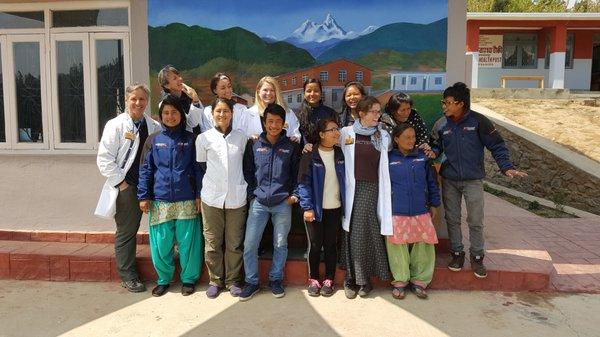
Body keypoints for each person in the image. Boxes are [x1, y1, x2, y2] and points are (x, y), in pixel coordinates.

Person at [431, 82, 527, 278]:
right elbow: (435, 148)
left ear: (460, 103)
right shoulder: (441, 124)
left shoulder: (479, 122)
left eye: (447, 103)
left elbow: (497, 145)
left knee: (475, 220)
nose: (444, 106)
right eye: (444, 102)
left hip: (473, 180)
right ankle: (457, 253)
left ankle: (477, 257)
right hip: (449, 180)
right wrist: (430, 153)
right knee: (452, 219)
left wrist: (506, 167)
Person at [96, 83, 161, 292]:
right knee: (127, 232)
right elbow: (104, 159)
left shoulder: (154, 126)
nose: (138, 103)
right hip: (128, 188)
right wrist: (122, 185)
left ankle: (165, 271)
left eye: (142, 99)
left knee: (163, 229)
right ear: (126, 100)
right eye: (134, 98)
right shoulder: (115, 125)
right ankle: (128, 276)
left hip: (150, 188)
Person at [137, 95, 204, 297]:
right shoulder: (153, 140)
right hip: (160, 200)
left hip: (186, 198)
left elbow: (198, 169)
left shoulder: (192, 140)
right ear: (161, 116)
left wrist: (199, 195)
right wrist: (143, 196)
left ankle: (188, 279)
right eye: (166, 113)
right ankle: (164, 280)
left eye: (174, 112)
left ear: (181, 115)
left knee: (188, 243)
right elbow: (145, 170)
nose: (170, 116)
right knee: (161, 243)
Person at [240, 103, 301, 301]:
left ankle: (276, 279)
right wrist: (252, 194)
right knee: (250, 244)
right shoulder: (254, 145)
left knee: (280, 243)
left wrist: (293, 195)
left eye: (278, 122)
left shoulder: (291, 146)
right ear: (264, 122)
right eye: (270, 121)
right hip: (258, 202)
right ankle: (251, 281)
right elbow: (248, 171)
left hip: (283, 202)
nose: (274, 125)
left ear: (284, 124)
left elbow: (297, 174)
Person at [339, 96, 392, 299]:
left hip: (373, 189)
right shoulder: (346, 133)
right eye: (374, 112)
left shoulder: (383, 136)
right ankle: (355, 278)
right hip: (351, 189)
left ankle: (359, 279)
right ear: (361, 113)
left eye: (379, 112)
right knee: (354, 231)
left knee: (362, 230)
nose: (378, 116)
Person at [196, 98, 248, 298]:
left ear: (232, 114)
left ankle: (233, 281)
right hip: (211, 198)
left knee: (234, 242)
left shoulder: (241, 138)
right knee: (212, 242)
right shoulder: (203, 139)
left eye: (226, 111)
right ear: (212, 114)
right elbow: (200, 167)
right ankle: (215, 280)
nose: (222, 115)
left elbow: (246, 166)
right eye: (218, 111)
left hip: (236, 197)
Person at [386, 123, 440, 300]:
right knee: (397, 245)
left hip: (420, 208)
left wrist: (434, 203)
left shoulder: (423, 158)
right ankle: (400, 281)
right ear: (396, 139)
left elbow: (432, 182)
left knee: (423, 244)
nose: (411, 141)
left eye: (413, 137)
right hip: (396, 209)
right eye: (407, 137)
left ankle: (420, 281)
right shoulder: (387, 158)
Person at [297, 118, 345, 297]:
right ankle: (314, 278)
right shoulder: (310, 154)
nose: (336, 133)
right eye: (332, 130)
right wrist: (307, 207)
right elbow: (303, 183)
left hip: (335, 207)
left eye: (337, 129)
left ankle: (329, 279)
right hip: (315, 209)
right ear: (321, 134)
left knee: (331, 245)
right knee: (315, 245)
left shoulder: (340, 153)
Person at [243, 76, 301, 142]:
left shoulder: (288, 113)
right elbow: (240, 136)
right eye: (265, 90)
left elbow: (296, 133)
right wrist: (250, 137)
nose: (268, 93)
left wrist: (295, 137)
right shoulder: (247, 114)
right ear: (258, 92)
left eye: (272, 90)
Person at [157, 65, 208, 134]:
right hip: (181, 141)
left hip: (199, 138)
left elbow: (202, 117)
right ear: (167, 85)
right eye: (175, 78)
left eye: (179, 76)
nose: (180, 79)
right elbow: (192, 123)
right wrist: (195, 101)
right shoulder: (166, 102)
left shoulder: (188, 94)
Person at [296, 78, 338, 153]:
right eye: (309, 91)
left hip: (326, 153)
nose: (312, 94)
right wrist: (305, 145)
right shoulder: (298, 114)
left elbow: (335, 134)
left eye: (316, 91)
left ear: (321, 93)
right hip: (305, 155)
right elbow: (297, 134)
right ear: (304, 94)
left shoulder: (330, 113)